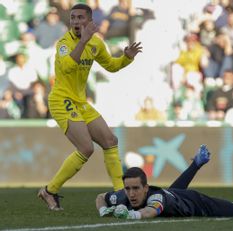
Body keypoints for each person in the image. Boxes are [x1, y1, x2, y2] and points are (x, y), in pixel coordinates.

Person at [38, 3, 142, 211]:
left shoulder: (96, 43)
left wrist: (127, 58)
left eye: (80, 18)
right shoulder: (64, 44)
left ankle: (121, 194)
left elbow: (111, 66)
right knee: (86, 148)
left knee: (110, 141)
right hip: (61, 100)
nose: (76, 22)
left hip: (80, 101)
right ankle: (50, 190)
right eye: (73, 18)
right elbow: (67, 67)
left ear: (89, 21)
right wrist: (84, 40)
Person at [96, 144, 233, 219]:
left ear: (145, 188)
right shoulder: (122, 196)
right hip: (173, 197)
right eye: (128, 188)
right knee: (171, 194)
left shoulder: (154, 197)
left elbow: (151, 211)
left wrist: (132, 215)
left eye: (136, 189)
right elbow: (100, 198)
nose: (131, 194)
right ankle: (197, 163)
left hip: (194, 202)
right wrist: (104, 210)